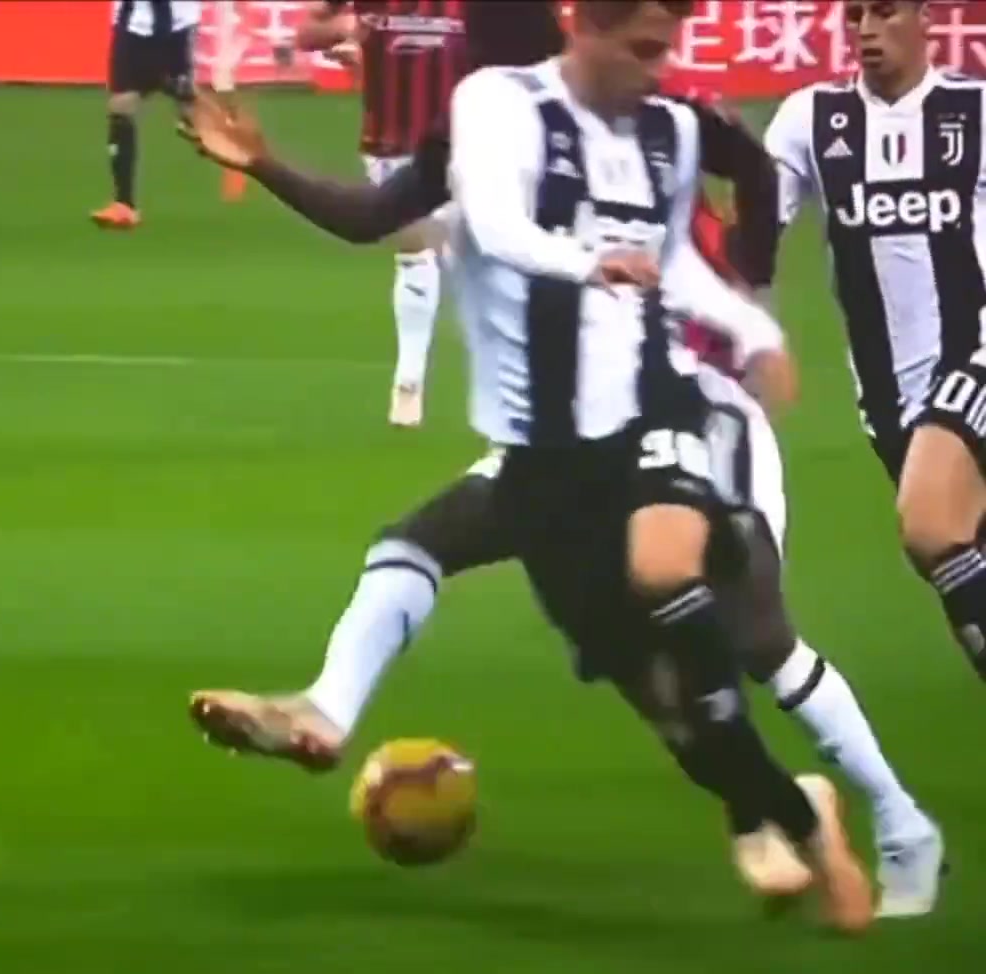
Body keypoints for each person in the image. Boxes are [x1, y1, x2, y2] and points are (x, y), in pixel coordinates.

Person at [182, 1, 941, 918]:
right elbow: (392, 216)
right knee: (627, 671)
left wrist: (750, 306)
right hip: (553, 445)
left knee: (747, 631)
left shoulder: (664, 119)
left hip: (689, 401)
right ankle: (776, 808)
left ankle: (899, 823)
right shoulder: (488, 125)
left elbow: (744, 176)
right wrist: (266, 165)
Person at [763, 0, 986, 683]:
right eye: (855, 14)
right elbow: (756, 235)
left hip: (975, 355)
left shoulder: (975, 110)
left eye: (884, 12)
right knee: (955, 555)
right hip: (891, 396)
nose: (865, 29)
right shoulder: (811, 119)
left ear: (924, 18)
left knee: (930, 524)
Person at [295, 1, 468, 427]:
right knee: (416, 250)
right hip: (392, 141)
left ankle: (499, 392)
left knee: (467, 261)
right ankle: (409, 382)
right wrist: (350, 29)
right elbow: (309, 33)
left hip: (465, 139)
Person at [91, 0, 202, 230]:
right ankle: (124, 204)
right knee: (121, 106)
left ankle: (247, 161)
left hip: (177, 27)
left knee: (190, 114)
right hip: (133, 27)